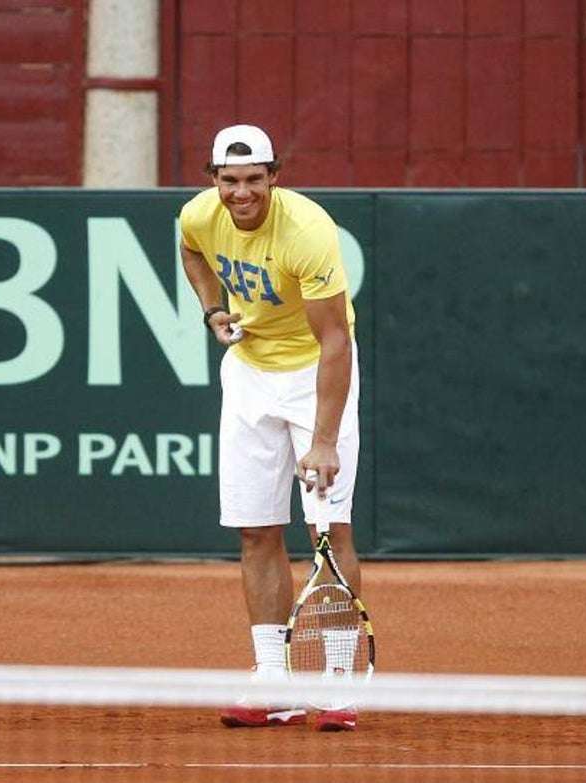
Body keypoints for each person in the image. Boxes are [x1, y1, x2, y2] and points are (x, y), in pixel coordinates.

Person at [179, 124, 363, 732]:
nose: (241, 193)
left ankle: (337, 680)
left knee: (328, 530)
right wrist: (212, 311)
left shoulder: (308, 231)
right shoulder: (198, 216)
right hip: (250, 376)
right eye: (229, 181)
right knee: (256, 529)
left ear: (274, 176)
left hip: (316, 374)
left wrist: (324, 439)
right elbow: (191, 251)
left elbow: (335, 338)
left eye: (254, 179)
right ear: (213, 179)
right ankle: (273, 679)